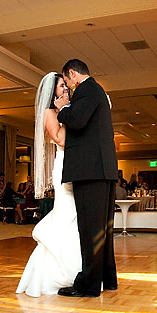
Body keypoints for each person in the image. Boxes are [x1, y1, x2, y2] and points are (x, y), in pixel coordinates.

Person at [53, 59, 118, 297]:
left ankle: (89, 286)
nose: (68, 87)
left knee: (90, 230)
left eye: (67, 81)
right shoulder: (96, 90)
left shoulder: (87, 89)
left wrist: (62, 109)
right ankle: (107, 279)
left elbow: (77, 120)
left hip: (91, 170)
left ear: (72, 73)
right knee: (103, 230)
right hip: (101, 170)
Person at [17, 72, 82, 297]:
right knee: (66, 215)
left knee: (74, 219)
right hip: (63, 167)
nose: (65, 88)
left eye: (66, 85)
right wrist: (65, 111)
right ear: (52, 91)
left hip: (75, 164)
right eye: (61, 86)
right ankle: (59, 274)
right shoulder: (49, 112)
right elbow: (61, 139)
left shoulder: (66, 108)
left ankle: (76, 270)